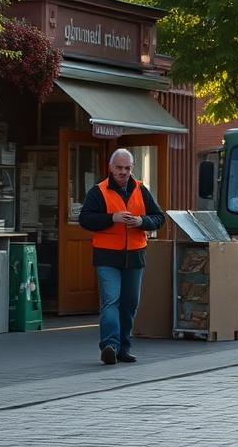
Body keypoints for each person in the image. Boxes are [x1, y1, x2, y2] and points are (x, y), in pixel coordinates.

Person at [78, 148, 165, 365]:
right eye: (119, 168)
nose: (123, 172)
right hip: (107, 257)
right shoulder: (98, 192)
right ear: (110, 168)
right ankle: (110, 345)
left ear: (132, 168)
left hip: (135, 256)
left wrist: (141, 222)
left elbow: (159, 218)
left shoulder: (141, 190)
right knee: (111, 301)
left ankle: (123, 348)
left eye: (127, 168)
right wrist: (112, 218)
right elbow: (85, 219)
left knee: (129, 304)